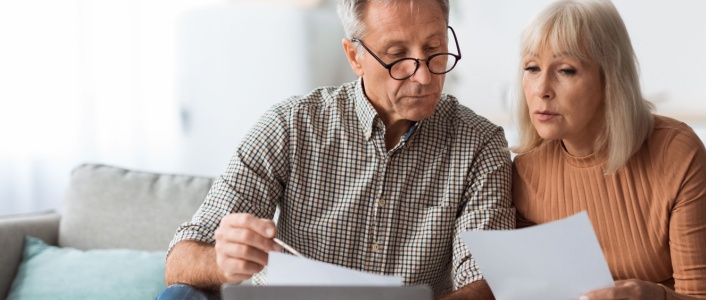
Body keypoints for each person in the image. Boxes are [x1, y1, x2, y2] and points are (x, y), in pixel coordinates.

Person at [158, 0, 515, 299]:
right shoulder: (292, 125)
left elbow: (484, 282)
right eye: (398, 55)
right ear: (354, 56)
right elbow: (180, 262)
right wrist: (225, 261)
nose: (423, 76)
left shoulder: (479, 144)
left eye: (434, 50)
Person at [510, 1, 706, 299]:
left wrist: (652, 295)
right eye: (532, 68)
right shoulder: (526, 170)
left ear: (610, 78)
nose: (541, 89)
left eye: (565, 70)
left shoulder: (676, 152)